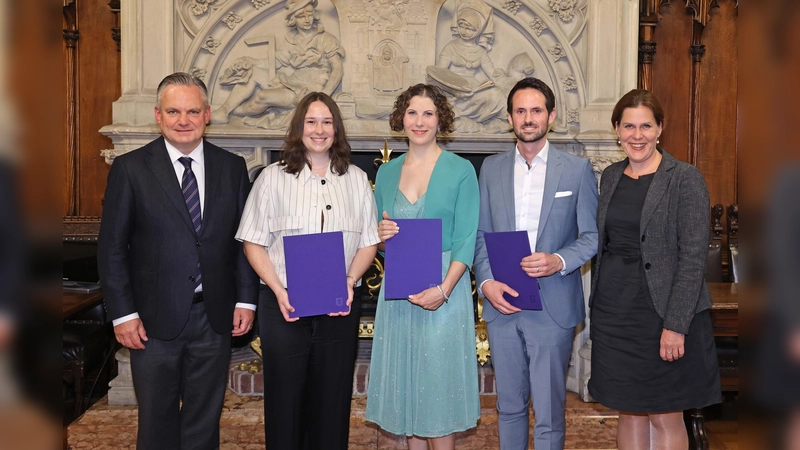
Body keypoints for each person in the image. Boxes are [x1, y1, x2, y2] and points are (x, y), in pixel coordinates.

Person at [97, 72, 259, 449]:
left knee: (205, 420)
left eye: (192, 111)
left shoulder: (232, 167)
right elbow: (112, 248)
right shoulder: (130, 169)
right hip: (151, 320)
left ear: (207, 115)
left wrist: (246, 300)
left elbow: (244, 241)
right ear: (158, 114)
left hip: (215, 318)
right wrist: (123, 314)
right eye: (173, 111)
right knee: (157, 420)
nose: (182, 120)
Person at [235, 92, 379, 449]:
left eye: (327, 122)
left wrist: (349, 281)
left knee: (332, 402)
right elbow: (253, 241)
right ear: (299, 127)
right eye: (311, 121)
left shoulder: (357, 179)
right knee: (285, 402)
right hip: (283, 305)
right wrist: (278, 290)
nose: (319, 129)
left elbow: (369, 241)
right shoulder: (271, 179)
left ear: (337, 129)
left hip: (339, 305)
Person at [587, 89, 721, 449]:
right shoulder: (611, 176)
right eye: (628, 125)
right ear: (616, 129)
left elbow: (693, 258)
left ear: (660, 129)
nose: (637, 134)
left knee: (665, 412)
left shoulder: (684, 178)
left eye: (646, 125)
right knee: (627, 409)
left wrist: (675, 326)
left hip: (661, 313)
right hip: (615, 312)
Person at [473, 77, 599, 450]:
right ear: (510, 118)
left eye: (536, 110)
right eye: (520, 111)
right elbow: (480, 235)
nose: (528, 118)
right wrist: (486, 283)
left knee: (548, 412)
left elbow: (592, 236)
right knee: (509, 407)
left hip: (553, 306)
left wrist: (558, 259)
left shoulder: (576, 170)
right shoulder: (490, 169)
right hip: (502, 304)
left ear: (551, 116)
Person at [366, 83, 480, 449]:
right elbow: (383, 242)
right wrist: (382, 236)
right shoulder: (386, 173)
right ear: (402, 117)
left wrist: (444, 290)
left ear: (440, 119)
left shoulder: (460, 170)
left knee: (438, 399)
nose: (420, 121)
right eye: (412, 112)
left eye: (428, 113)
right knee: (409, 402)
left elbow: (466, 239)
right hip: (399, 294)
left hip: (446, 291)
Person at [210, 0, 344, 128]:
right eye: (301, 16)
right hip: (291, 82)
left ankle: (236, 112)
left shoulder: (326, 39)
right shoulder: (291, 40)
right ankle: (224, 111)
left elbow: (337, 69)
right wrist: (249, 60)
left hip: (307, 92)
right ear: (293, 19)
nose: (307, 20)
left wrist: (323, 96)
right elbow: (275, 62)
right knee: (253, 72)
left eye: (309, 14)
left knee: (262, 96)